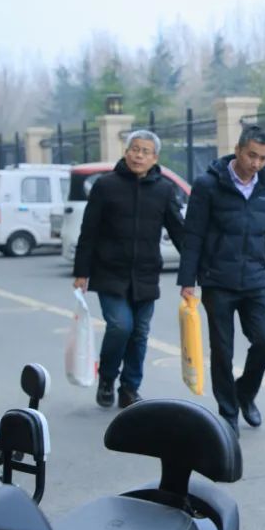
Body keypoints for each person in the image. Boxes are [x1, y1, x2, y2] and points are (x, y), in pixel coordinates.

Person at [177, 125, 265, 434]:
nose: (256, 164)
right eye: (252, 155)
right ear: (238, 150)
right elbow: (193, 235)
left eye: (263, 158)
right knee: (222, 352)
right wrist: (188, 280)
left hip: (255, 281)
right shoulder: (208, 185)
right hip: (217, 281)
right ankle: (228, 413)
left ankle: (245, 393)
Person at [73, 130, 185, 409]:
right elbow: (89, 231)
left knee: (139, 333)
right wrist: (82, 272)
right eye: (134, 149)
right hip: (110, 272)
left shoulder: (164, 190)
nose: (138, 155)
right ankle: (107, 377)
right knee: (121, 326)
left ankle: (129, 388)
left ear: (155, 158)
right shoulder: (106, 186)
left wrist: (194, 269)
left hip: (146, 274)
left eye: (145, 151)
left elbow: (179, 231)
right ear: (126, 152)